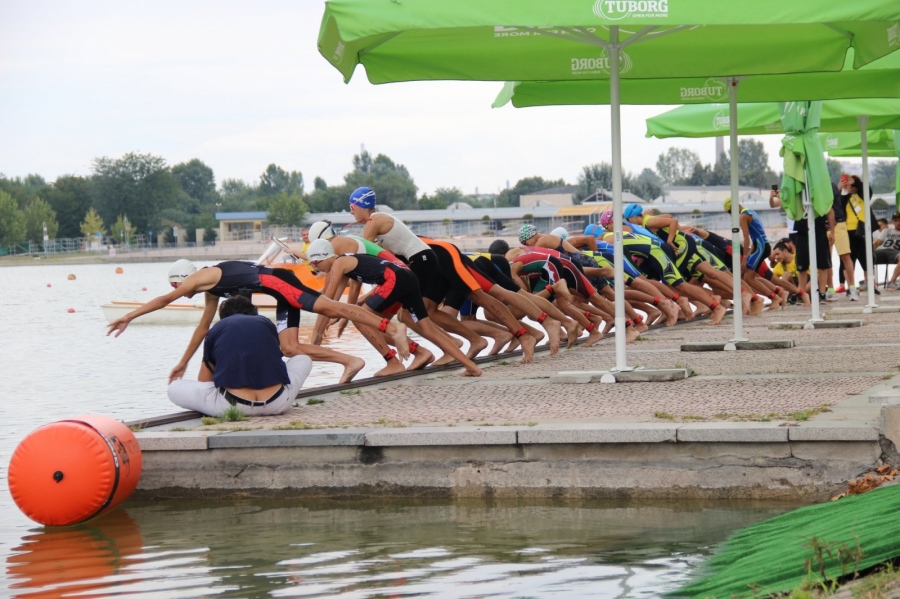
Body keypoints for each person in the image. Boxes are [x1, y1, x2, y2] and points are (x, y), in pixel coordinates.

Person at [107, 258, 410, 384]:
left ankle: (391, 327)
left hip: (278, 282)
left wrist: (129, 316)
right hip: (275, 291)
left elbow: (163, 301)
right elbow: (203, 327)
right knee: (288, 347)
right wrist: (183, 362)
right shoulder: (211, 290)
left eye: (178, 288)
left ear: (183, 279)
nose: (180, 294)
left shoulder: (201, 277)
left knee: (330, 309)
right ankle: (349, 360)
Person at [350, 186, 537, 363]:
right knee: (426, 311)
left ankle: (524, 334)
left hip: (440, 256)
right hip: (426, 261)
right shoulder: (380, 226)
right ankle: (463, 343)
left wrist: (360, 298)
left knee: (480, 296)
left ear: (361, 205)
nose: (351, 213)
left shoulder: (373, 221)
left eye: (352, 207)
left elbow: (366, 256)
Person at [306, 239, 483, 377]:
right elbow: (332, 303)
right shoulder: (345, 263)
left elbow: (327, 298)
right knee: (429, 330)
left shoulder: (338, 263)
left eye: (315, 264)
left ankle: (393, 362)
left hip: (394, 279)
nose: (317, 269)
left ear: (323, 256)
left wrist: (317, 333)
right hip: (408, 277)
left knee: (360, 318)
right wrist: (327, 323)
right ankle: (472, 367)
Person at [166, 296, 313, 417]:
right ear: (253, 313)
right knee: (303, 359)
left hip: (232, 406)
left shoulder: (217, 329)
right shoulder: (266, 323)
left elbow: (204, 381)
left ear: (223, 317)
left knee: (174, 387)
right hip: (278, 403)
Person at [874, 212, 900, 290]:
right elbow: (877, 243)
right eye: (896, 220)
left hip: (895, 252)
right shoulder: (887, 231)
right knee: (867, 256)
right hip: (881, 250)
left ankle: (892, 282)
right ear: (893, 222)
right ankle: (868, 282)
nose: (898, 222)